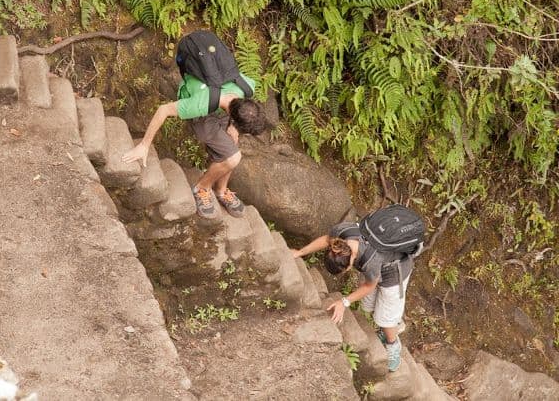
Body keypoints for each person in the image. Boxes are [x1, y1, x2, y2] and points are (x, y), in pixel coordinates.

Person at [122, 30, 267, 218]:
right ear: (233, 114)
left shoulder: (245, 88)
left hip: (221, 109)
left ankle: (221, 191)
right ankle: (201, 188)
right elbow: (163, 110)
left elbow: (237, 108)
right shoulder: (200, 104)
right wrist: (143, 145)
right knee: (232, 157)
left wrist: (233, 127)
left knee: (232, 145)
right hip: (203, 113)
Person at [291, 219, 415, 373]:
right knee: (369, 306)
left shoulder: (370, 261)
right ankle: (392, 320)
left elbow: (370, 285)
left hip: (395, 272)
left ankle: (393, 343)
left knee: (385, 319)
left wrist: (344, 302)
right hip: (380, 265)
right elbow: (326, 239)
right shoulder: (341, 236)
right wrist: (300, 252)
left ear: (349, 264)